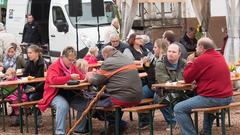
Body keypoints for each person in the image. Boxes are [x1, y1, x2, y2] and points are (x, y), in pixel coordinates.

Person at [174, 37, 233, 135]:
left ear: (201, 47)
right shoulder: (219, 56)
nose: (196, 50)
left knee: (178, 108)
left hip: (214, 98)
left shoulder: (201, 59)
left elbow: (187, 78)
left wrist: (189, 62)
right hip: (227, 97)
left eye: (197, 47)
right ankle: (206, 132)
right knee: (207, 103)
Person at [87, 46, 143, 134]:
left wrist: (88, 76)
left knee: (90, 104)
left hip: (123, 98)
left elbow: (97, 81)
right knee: (106, 98)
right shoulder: (127, 58)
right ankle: (114, 126)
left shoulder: (109, 62)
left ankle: (119, 124)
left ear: (105, 54)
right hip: (137, 96)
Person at [38, 46, 88, 134]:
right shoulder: (53, 67)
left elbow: (80, 76)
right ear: (63, 57)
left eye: (74, 60)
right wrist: (69, 77)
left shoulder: (72, 66)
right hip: (55, 94)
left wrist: (87, 77)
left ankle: (79, 130)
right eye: (70, 60)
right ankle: (60, 132)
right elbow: (53, 80)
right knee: (63, 105)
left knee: (85, 105)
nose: (72, 62)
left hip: (70, 93)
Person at [155, 43, 186, 130]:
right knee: (159, 98)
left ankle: (183, 121)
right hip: (164, 91)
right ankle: (172, 122)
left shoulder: (184, 63)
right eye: (169, 51)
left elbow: (189, 78)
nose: (170, 53)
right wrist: (179, 82)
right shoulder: (160, 64)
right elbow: (165, 82)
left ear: (179, 54)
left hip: (182, 90)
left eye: (173, 52)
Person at [23, 45, 46, 127]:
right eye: (28, 53)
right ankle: (21, 118)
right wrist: (27, 87)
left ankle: (38, 119)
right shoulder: (29, 62)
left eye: (30, 53)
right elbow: (24, 75)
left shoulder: (43, 63)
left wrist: (35, 88)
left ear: (37, 53)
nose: (28, 55)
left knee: (32, 97)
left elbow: (45, 80)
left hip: (42, 89)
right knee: (22, 96)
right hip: (32, 88)